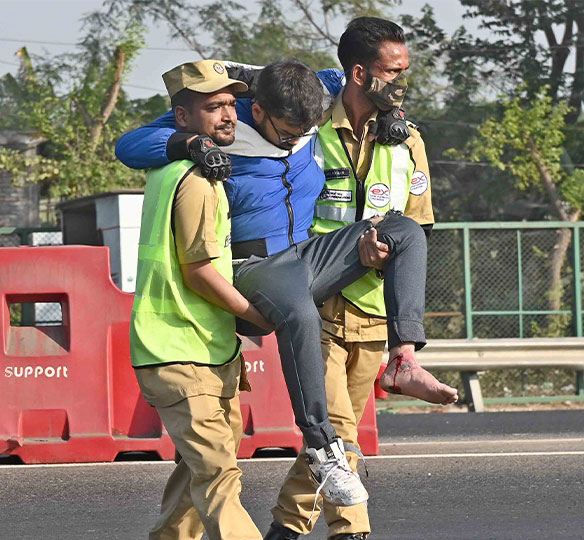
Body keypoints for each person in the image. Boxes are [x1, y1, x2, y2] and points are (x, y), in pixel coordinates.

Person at [116, 60, 458, 509]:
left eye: (306, 131)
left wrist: (389, 113)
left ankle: (403, 361)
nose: (297, 140)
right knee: (300, 314)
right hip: (256, 264)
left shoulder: (317, 90)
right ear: (257, 110)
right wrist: (190, 143)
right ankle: (323, 447)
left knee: (404, 231)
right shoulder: (229, 121)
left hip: (308, 253)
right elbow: (130, 144)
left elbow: (365, 80)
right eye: (288, 131)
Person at [263, 18, 437, 540]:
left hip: (372, 315)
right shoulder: (305, 132)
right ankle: (352, 532)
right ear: (359, 73)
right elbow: (282, 220)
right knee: (338, 432)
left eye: (407, 70)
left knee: (338, 440)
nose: (402, 82)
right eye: (393, 71)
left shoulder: (409, 142)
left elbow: (419, 225)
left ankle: (285, 531)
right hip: (314, 307)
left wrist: (385, 253)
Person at [130, 59, 266, 540]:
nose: (229, 115)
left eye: (231, 104)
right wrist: (258, 316)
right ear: (183, 119)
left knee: (197, 477)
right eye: (214, 107)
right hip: (179, 351)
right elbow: (200, 272)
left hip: (204, 349)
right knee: (218, 477)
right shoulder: (196, 179)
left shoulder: (170, 171)